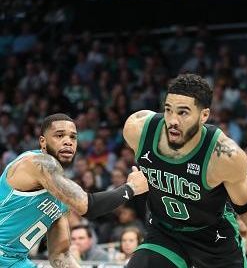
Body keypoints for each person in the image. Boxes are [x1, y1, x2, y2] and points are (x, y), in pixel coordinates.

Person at [122, 74, 247, 268]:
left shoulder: (225, 156)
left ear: (204, 115)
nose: (173, 120)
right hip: (165, 232)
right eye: (168, 110)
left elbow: (246, 204)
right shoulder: (138, 129)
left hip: (214, 237)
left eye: (183, 113)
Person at [0, 113, 147, 267]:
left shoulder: (61, 196)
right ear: (43, 142)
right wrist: (132, 188)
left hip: (15, 261)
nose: (68, 142)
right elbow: (89, 206)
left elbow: (60, 255)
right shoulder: (36, 163)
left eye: (73, 137)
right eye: (59, 135)